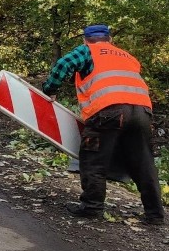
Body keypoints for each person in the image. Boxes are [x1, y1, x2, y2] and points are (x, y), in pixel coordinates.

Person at [42, 24, 164, 225]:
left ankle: (92, 207)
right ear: (110, 40)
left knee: (93, 158)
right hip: (142, 112)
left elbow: (63, 65)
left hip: (109, 111)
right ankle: (155, 215)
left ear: (85, 40)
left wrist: (50, 89)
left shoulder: (87, 50)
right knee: (143, 163)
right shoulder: (127, 56)